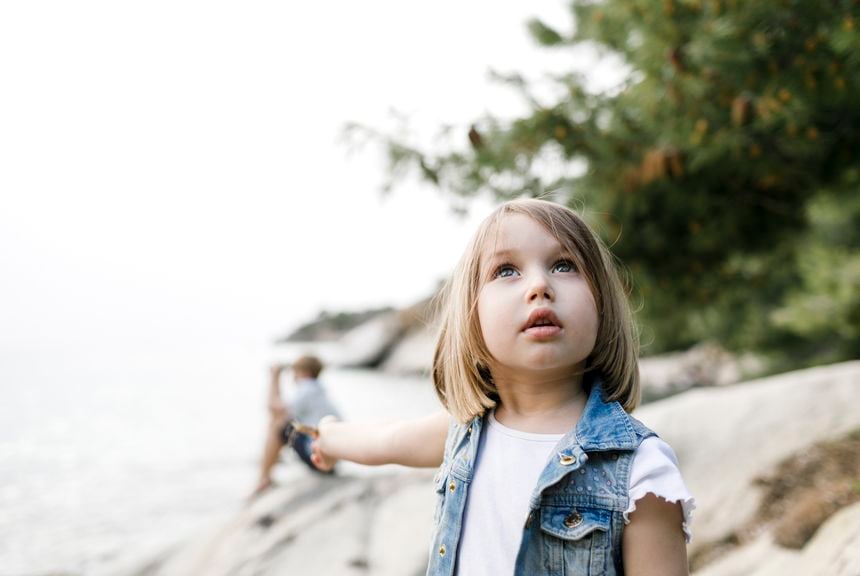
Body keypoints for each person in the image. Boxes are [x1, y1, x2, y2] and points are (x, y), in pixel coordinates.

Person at [311, 199, 695, 576]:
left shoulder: (639, 469)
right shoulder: (464, 432)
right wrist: (328, 438)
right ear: (473, 316)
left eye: (564, 265)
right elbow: (387, 440)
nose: (540, 285)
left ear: (602, 305)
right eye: (506, 270)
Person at [251, 354, 340, 497]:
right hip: (328, 459)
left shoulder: (308, 388)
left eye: (294, 372)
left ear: (304, 372)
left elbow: (274, 408)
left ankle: (264, 478)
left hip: (320, 459)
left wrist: (274, 377)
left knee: (278, 427)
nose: (292, 377)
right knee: (282, 424)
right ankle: (268, 472)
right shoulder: (317, 389)